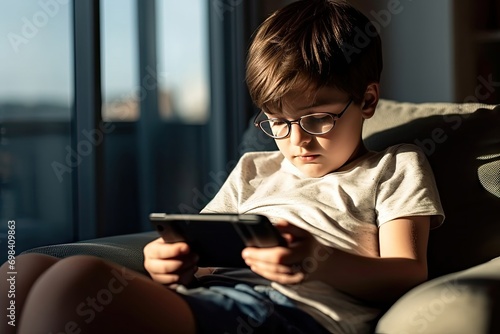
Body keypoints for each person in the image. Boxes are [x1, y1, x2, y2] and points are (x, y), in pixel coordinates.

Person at [0, 0, 444, 333]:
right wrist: (167, 262)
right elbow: (204, 244)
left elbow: (408, 272)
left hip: (289, 312)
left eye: (316, 119)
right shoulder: (256, 168)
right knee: (21, 273)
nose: (298, 139)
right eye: (279, 123)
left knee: (77, 281)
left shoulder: (394, 164)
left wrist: (318, 261)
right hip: (211, 296)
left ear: (367, 100)